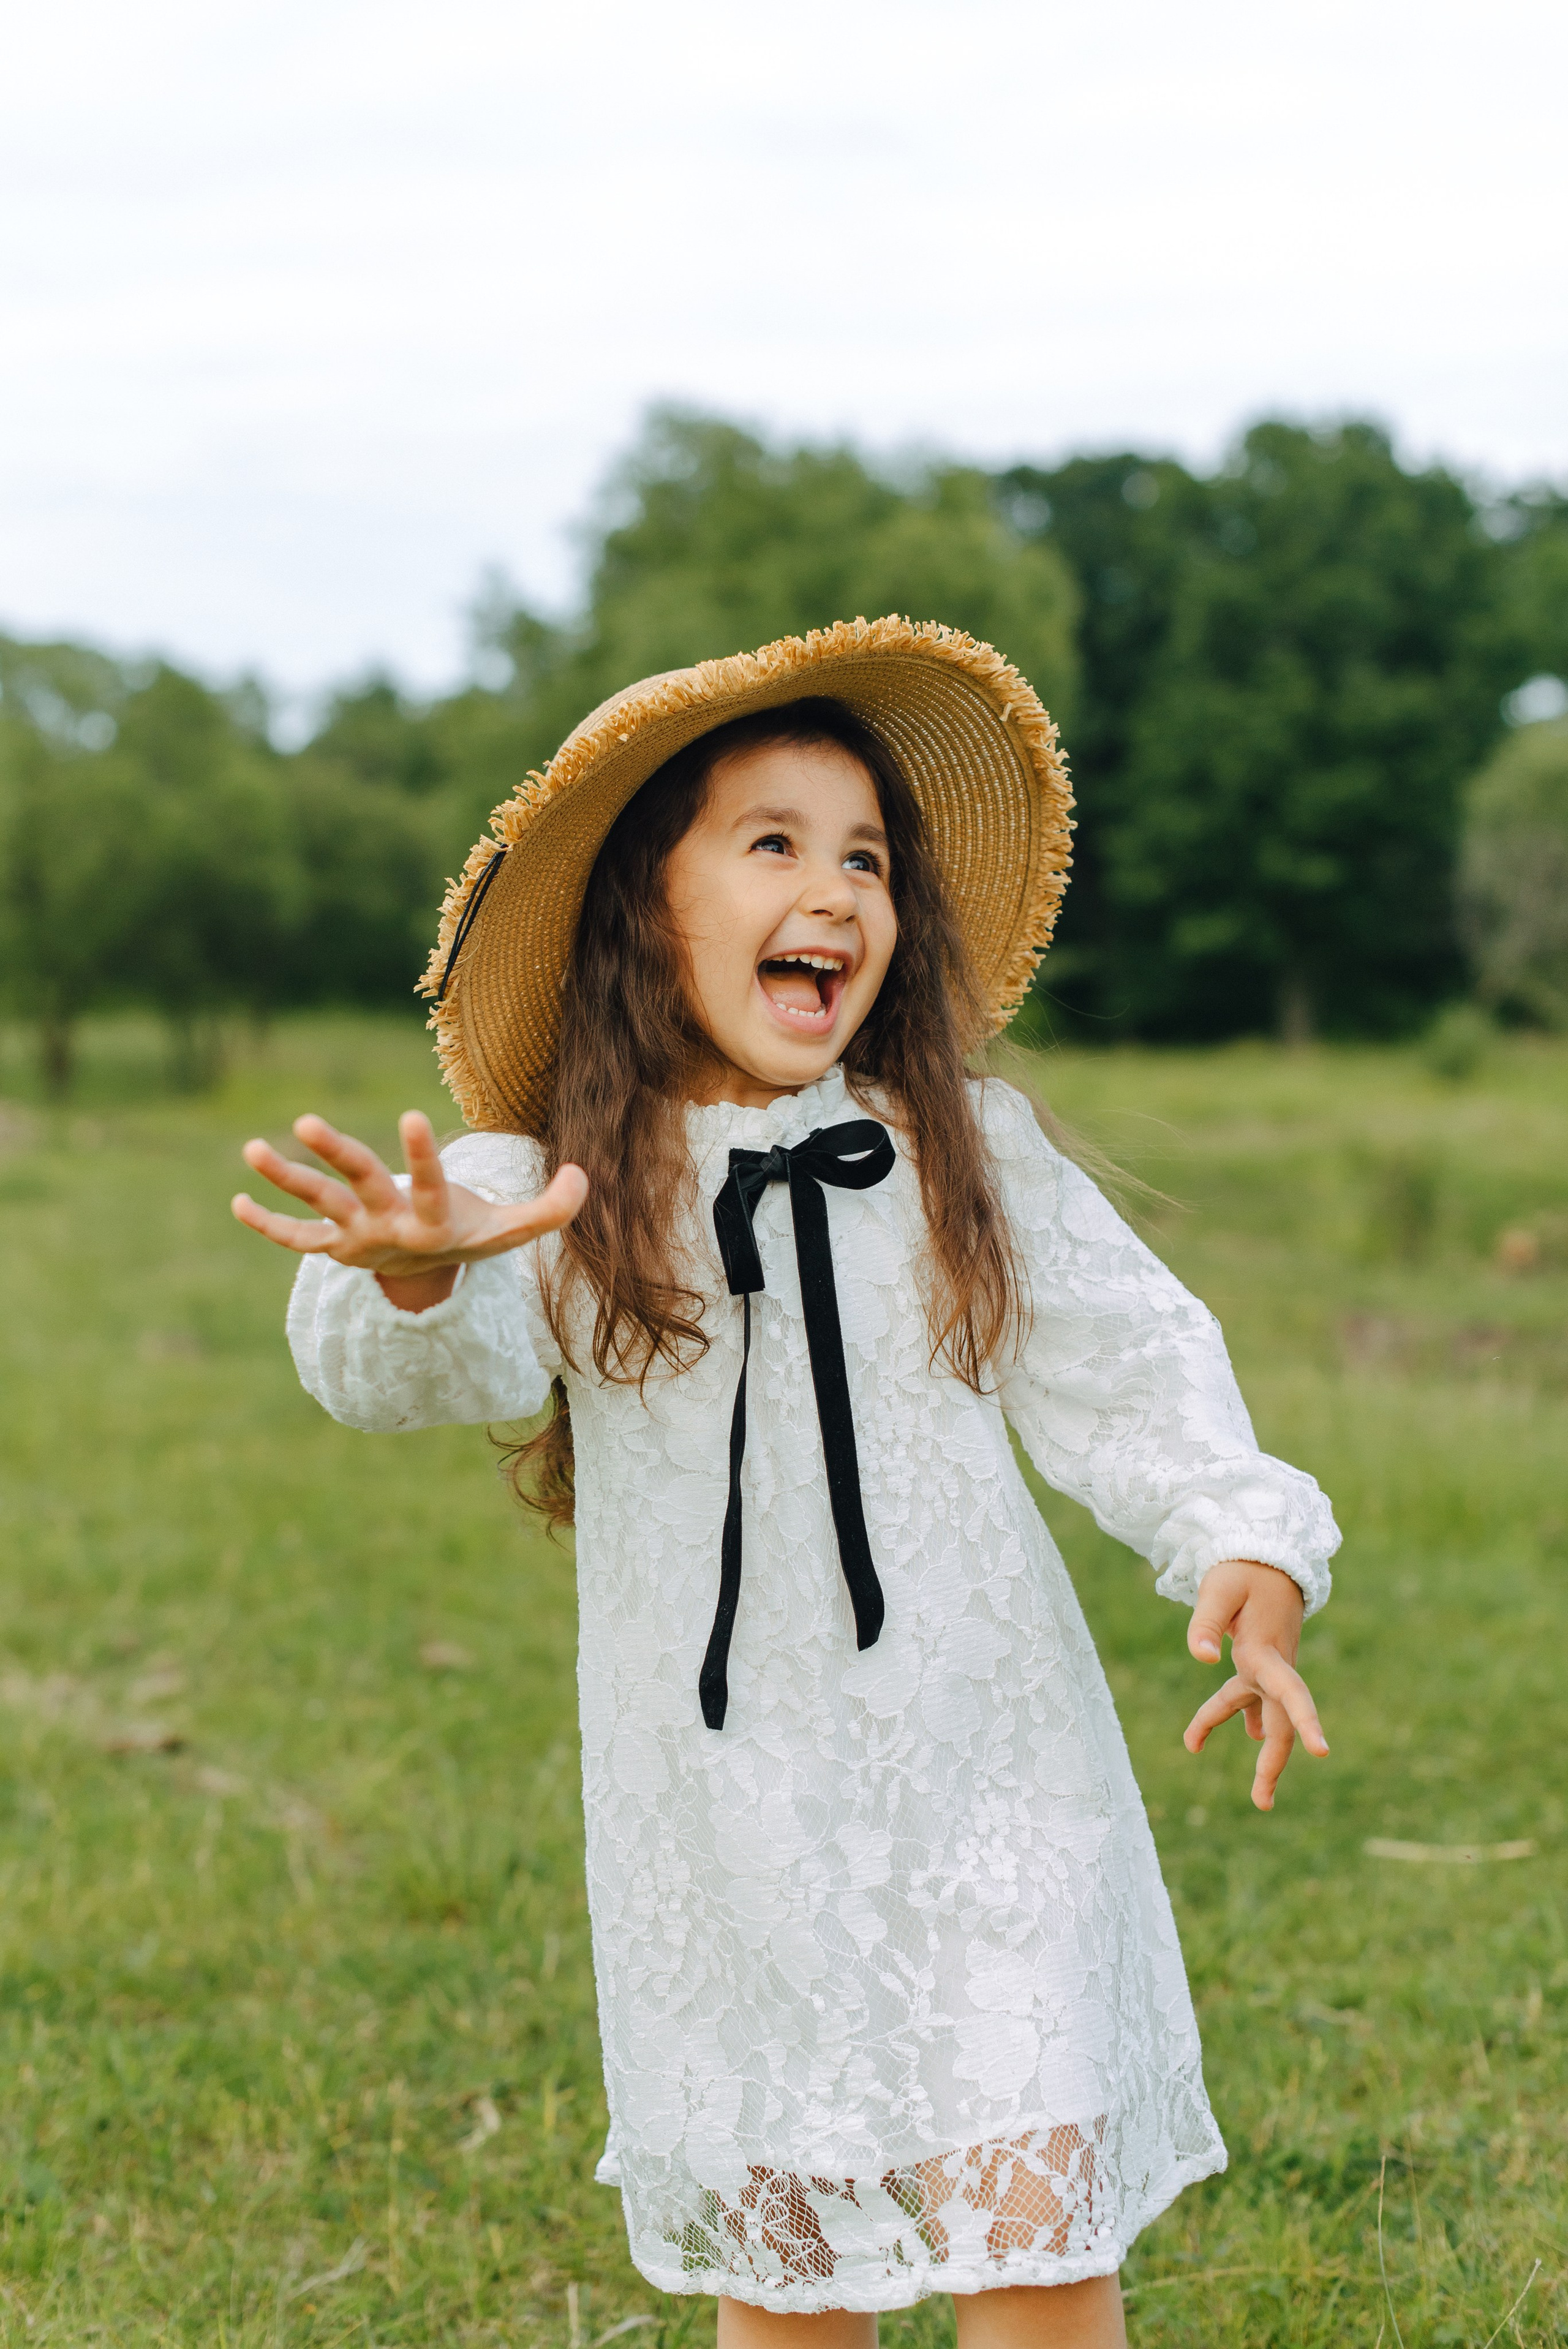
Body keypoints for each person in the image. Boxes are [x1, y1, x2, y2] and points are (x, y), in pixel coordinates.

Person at [234, 620, 1338, 2349]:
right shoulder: (555, 1186)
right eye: (773, 843)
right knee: (793, 2256)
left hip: (995, 1763)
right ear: (643, 907)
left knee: (1034, 2221)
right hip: (726, 1805)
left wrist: (1241, 1542)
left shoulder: (959, 1146)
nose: (833, 889)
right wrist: (422, 1269)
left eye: (867, 859)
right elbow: (421, 1374)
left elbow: (1131, 1360)